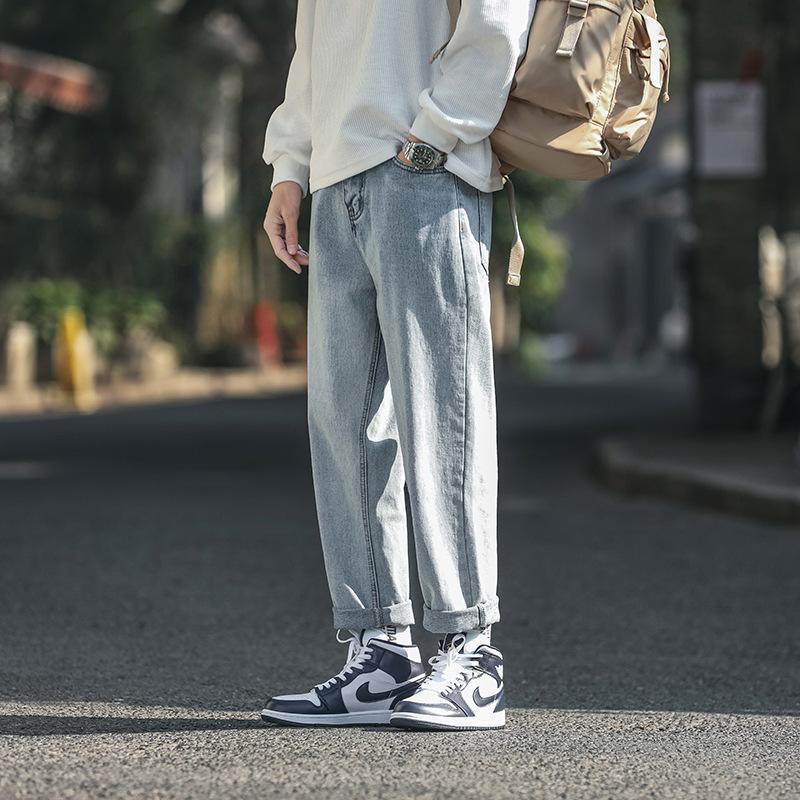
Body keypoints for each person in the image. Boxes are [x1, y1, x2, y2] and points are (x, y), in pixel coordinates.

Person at [259, 0, 532, 731]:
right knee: (344, 424)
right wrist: (291, 165)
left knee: (444, 414)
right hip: (336, 179)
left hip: (426, 171)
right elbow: (312, 47)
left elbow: (499, 19)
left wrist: (437, 135)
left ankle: (472, 651)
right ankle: (381, 651)